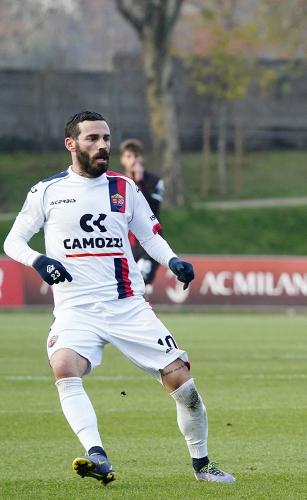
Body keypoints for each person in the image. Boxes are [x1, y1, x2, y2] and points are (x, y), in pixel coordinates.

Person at [2, 111, 234, 484]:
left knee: (184, 386)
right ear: (71, 144)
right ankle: (97, 455)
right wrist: (38, 260)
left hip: (127, 306)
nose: (103, 145)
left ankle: (203, 465)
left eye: (106, 138)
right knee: (64, 367)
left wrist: (173, 261)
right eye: (93, 138)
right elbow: (13, 242)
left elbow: (149, 237)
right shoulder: (46, 191)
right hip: (76, 310)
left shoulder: (124, 188)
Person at [119, 138, 164, 295]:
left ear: (142, 158)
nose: (133, 160)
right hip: (124, 245)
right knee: (125, 289)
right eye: (129, 156)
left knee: (139, 284)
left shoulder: (154, 182)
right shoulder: (117, 184)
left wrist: (138, 183)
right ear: (122, 159)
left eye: (136, 156)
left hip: (148, 245)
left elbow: (152, 207)